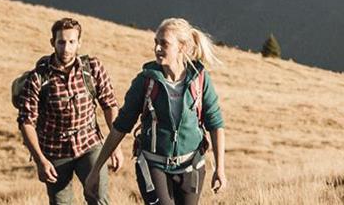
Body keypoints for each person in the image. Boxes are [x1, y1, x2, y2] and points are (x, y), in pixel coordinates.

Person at [87, 18, 227, 204]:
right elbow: (120, 126)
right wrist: (96, 169)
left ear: (182, 47)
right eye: (156, 42)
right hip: (153, 165)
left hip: (191, 165)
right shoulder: (144, 82)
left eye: (164, 43)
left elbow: (215, 124)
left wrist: (220, 169)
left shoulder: (200, 80)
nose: (157, 48)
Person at [16, 17, 124, 205]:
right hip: (54, 150)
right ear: (53, 43)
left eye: (72, 42)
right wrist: (40, 160)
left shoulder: (92, 68)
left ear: (79, 43)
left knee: (99, 198)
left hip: (89, 143)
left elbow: (109, 105)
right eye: (61, 42)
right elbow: (26, 121)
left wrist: (115, 146)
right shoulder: (38, 78)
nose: (66, 48)